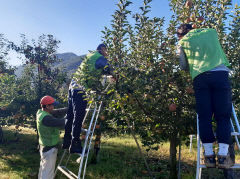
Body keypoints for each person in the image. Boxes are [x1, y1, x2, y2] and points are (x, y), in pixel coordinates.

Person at [176, 24, 233, 168]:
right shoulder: (211, 32)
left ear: (181, 35)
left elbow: (182, 65)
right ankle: (223, 157)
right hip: (220, 74)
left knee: (204, 115)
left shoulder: (183, 42)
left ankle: (208, 157)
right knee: (223, 115)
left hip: (200, 77)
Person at [62, 43, 113, 154]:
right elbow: (109, 67)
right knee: (78, 116)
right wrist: (116, 74)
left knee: (70, 115)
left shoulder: (91, 56)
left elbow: (97, 70)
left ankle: (66, 141)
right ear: (102, 49)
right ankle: (75, 144)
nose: (108, 54)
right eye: (107, 51)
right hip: (81, 89)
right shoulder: (99, 57)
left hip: (73, 86)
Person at [37, 95, 67, 179]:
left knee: (44, 168)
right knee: (48, 172)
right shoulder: (46, 119)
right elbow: (61, 123)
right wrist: (72, 118)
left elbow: (57, 112)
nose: (54, 107)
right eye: (52, 105)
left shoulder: (41, 112)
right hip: (49, 148)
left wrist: (69, 109)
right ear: (47, 106)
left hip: (44, 145)